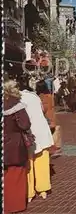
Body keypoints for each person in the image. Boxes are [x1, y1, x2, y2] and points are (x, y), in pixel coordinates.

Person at [19, 78, 55, 202]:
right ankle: (43, 189)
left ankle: (29, 192)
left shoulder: (18, 99)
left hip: (29, 133)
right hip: (41, 131)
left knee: (29, 163)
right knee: (42, 162)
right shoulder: (34, 96)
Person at [3, 80, 32, 213]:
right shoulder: (16, 105)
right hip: (14, 144)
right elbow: (25, 124)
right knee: (16, 174)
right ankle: (14, 205)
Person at [37, 80, 62, 157]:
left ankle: (52, 150)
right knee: (52, 134)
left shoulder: (42, 96)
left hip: (46, 119)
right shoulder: (50, 96)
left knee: (47, 136)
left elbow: (43, 108)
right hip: (52, 118)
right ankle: (55, 149)